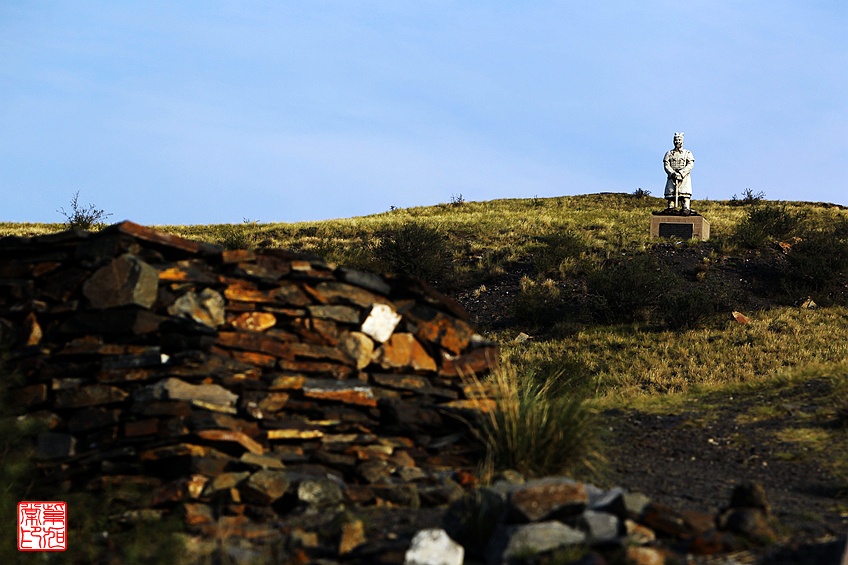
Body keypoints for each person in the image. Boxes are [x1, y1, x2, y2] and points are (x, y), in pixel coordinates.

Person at [663, 132, 695, 212]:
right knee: (671, 197)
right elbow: (666, 164)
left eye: (679, 140)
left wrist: (681, 173)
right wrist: (672, 173)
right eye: (676, 140)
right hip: (672, 178)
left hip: (684, 178)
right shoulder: (669, 153)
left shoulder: (687, 153)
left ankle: (686, 209)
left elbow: (690, 164)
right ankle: (671, 209)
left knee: (685, 196)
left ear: (682, 141)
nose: (677, 142)